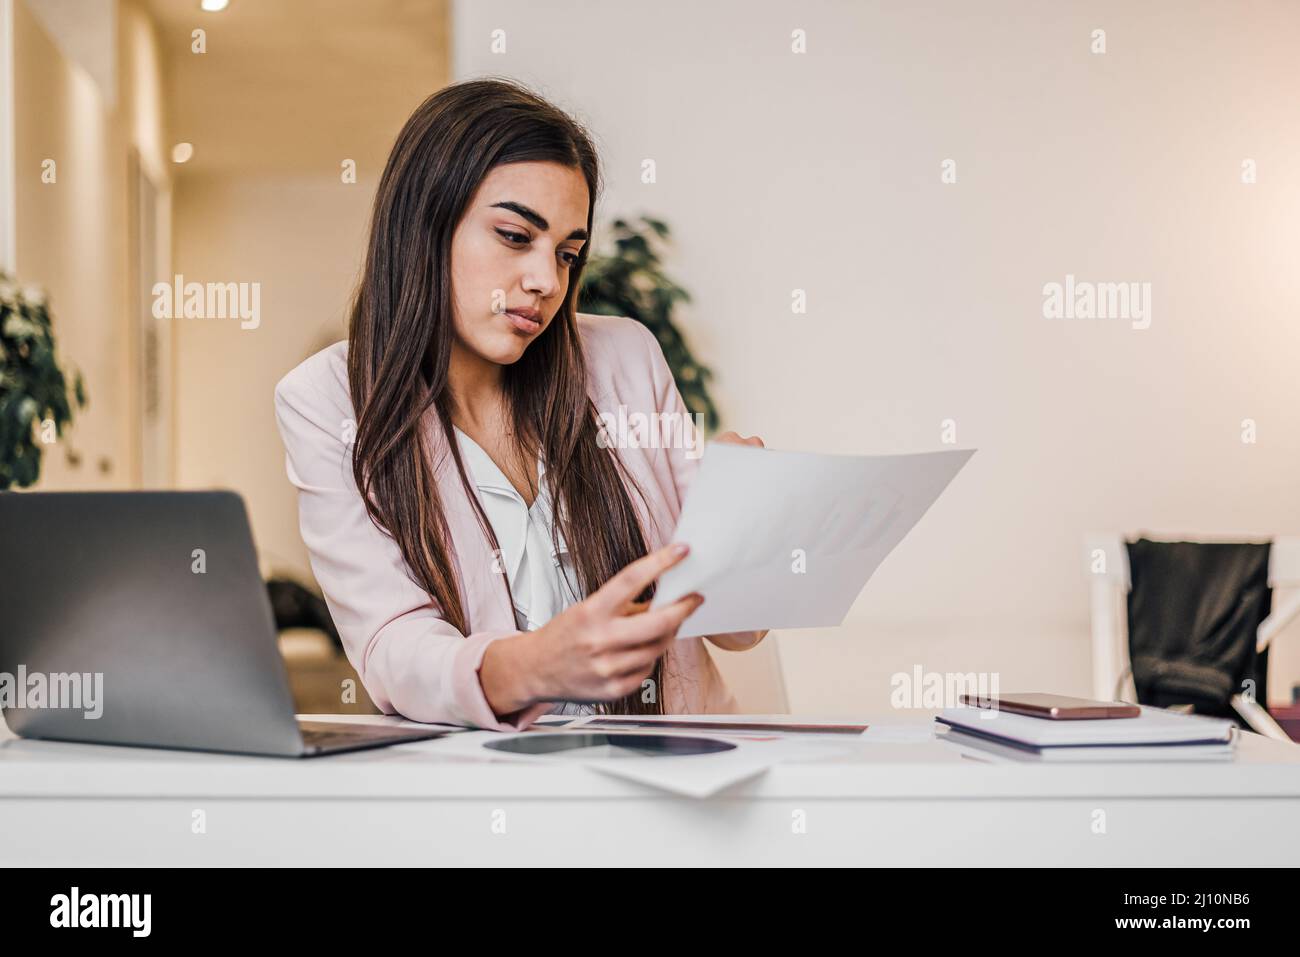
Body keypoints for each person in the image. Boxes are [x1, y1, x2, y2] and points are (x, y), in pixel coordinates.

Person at [273, 78, 767, 731]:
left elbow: (741, 631)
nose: (546, 281)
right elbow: (392, 650)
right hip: (492, 800)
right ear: (425, 224)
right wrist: (535, 664)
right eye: (513, 236)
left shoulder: (626, 357)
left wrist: (735, 521)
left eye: (567, 253)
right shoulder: (326, 400)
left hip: (679, 775)